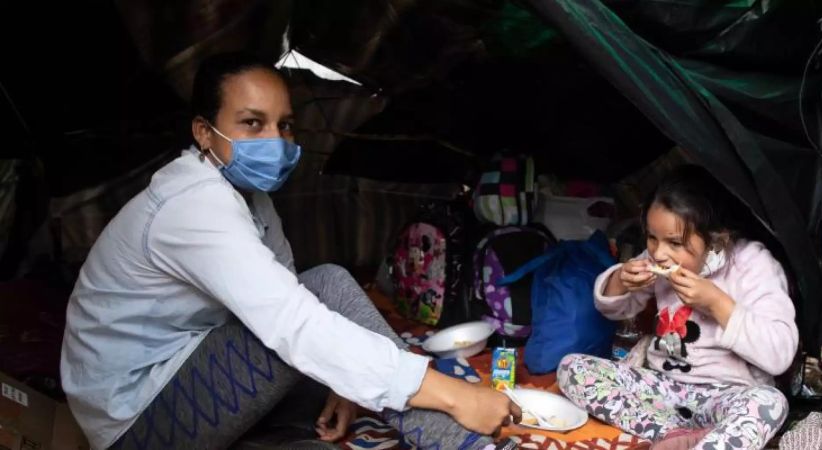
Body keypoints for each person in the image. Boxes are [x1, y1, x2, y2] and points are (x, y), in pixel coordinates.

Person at [60, 52, 520, 450]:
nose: (275, 142)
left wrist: (345, 381)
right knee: (323, 294)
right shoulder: (192, 205)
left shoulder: (246, 196)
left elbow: (286, 289)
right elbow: (292, 319)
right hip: (135, 421)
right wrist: (451, 393)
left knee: (328, 315)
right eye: (252, 123)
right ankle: (453, 431)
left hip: (189, 371)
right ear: (203, 131)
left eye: (285, 126)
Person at [557, 165, 798, 450]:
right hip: (664, 388)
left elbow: (779, 355)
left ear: (717, 238)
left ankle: (711, 440)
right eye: (651, 237)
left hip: (728, 395)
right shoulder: (658, 258)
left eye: (674, 242)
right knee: (572, 368)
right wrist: (621, 280)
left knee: (770, 404)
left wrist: (716, 302)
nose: (659, 252)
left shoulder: (753, 264)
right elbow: (613, 310)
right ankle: (674, 433)